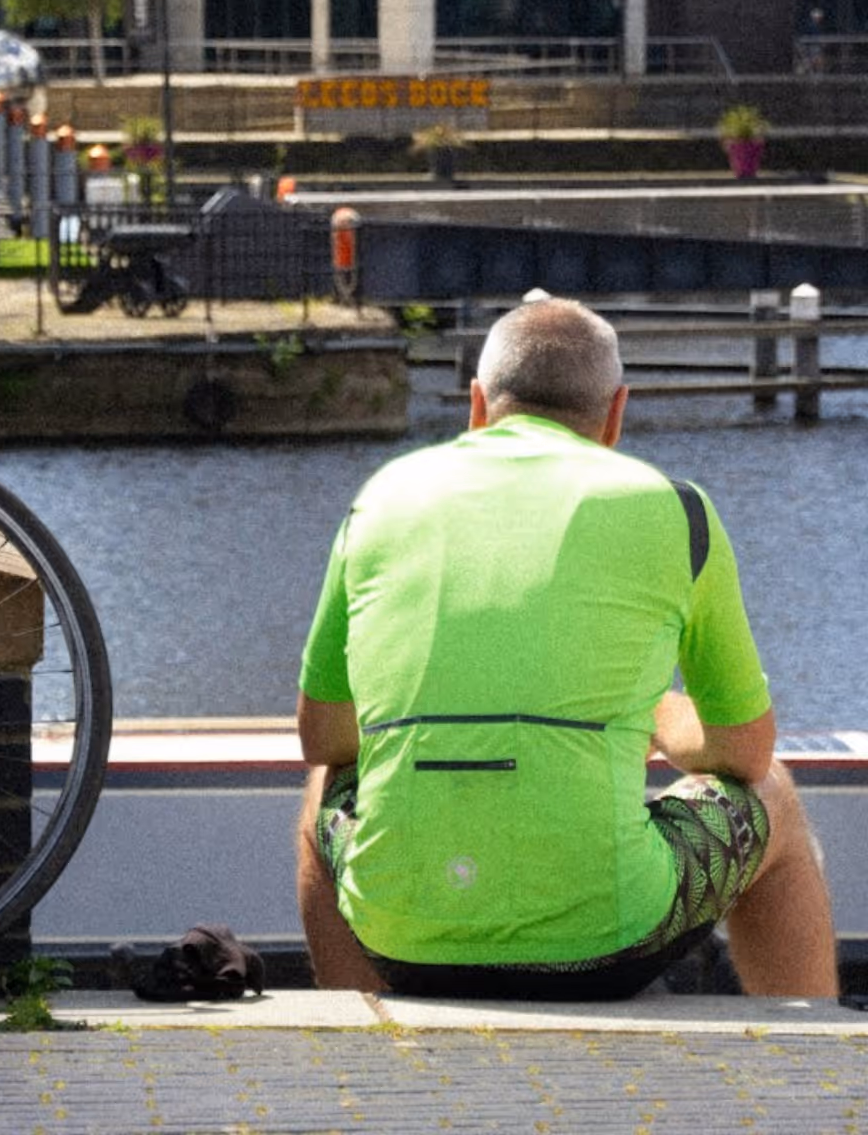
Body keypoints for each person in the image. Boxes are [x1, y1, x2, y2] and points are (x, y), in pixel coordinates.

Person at [295, 297, 836, 1000]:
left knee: (324, 793)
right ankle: (808, 1058)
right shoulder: (678, 509)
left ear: (476, 404)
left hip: (400, 940)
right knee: (774, 797)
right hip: (607, 939)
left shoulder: (378, 501)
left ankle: (355, 1035)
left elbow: (323, 734)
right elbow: (746, 752)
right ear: (616, 414)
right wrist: (663, 721)